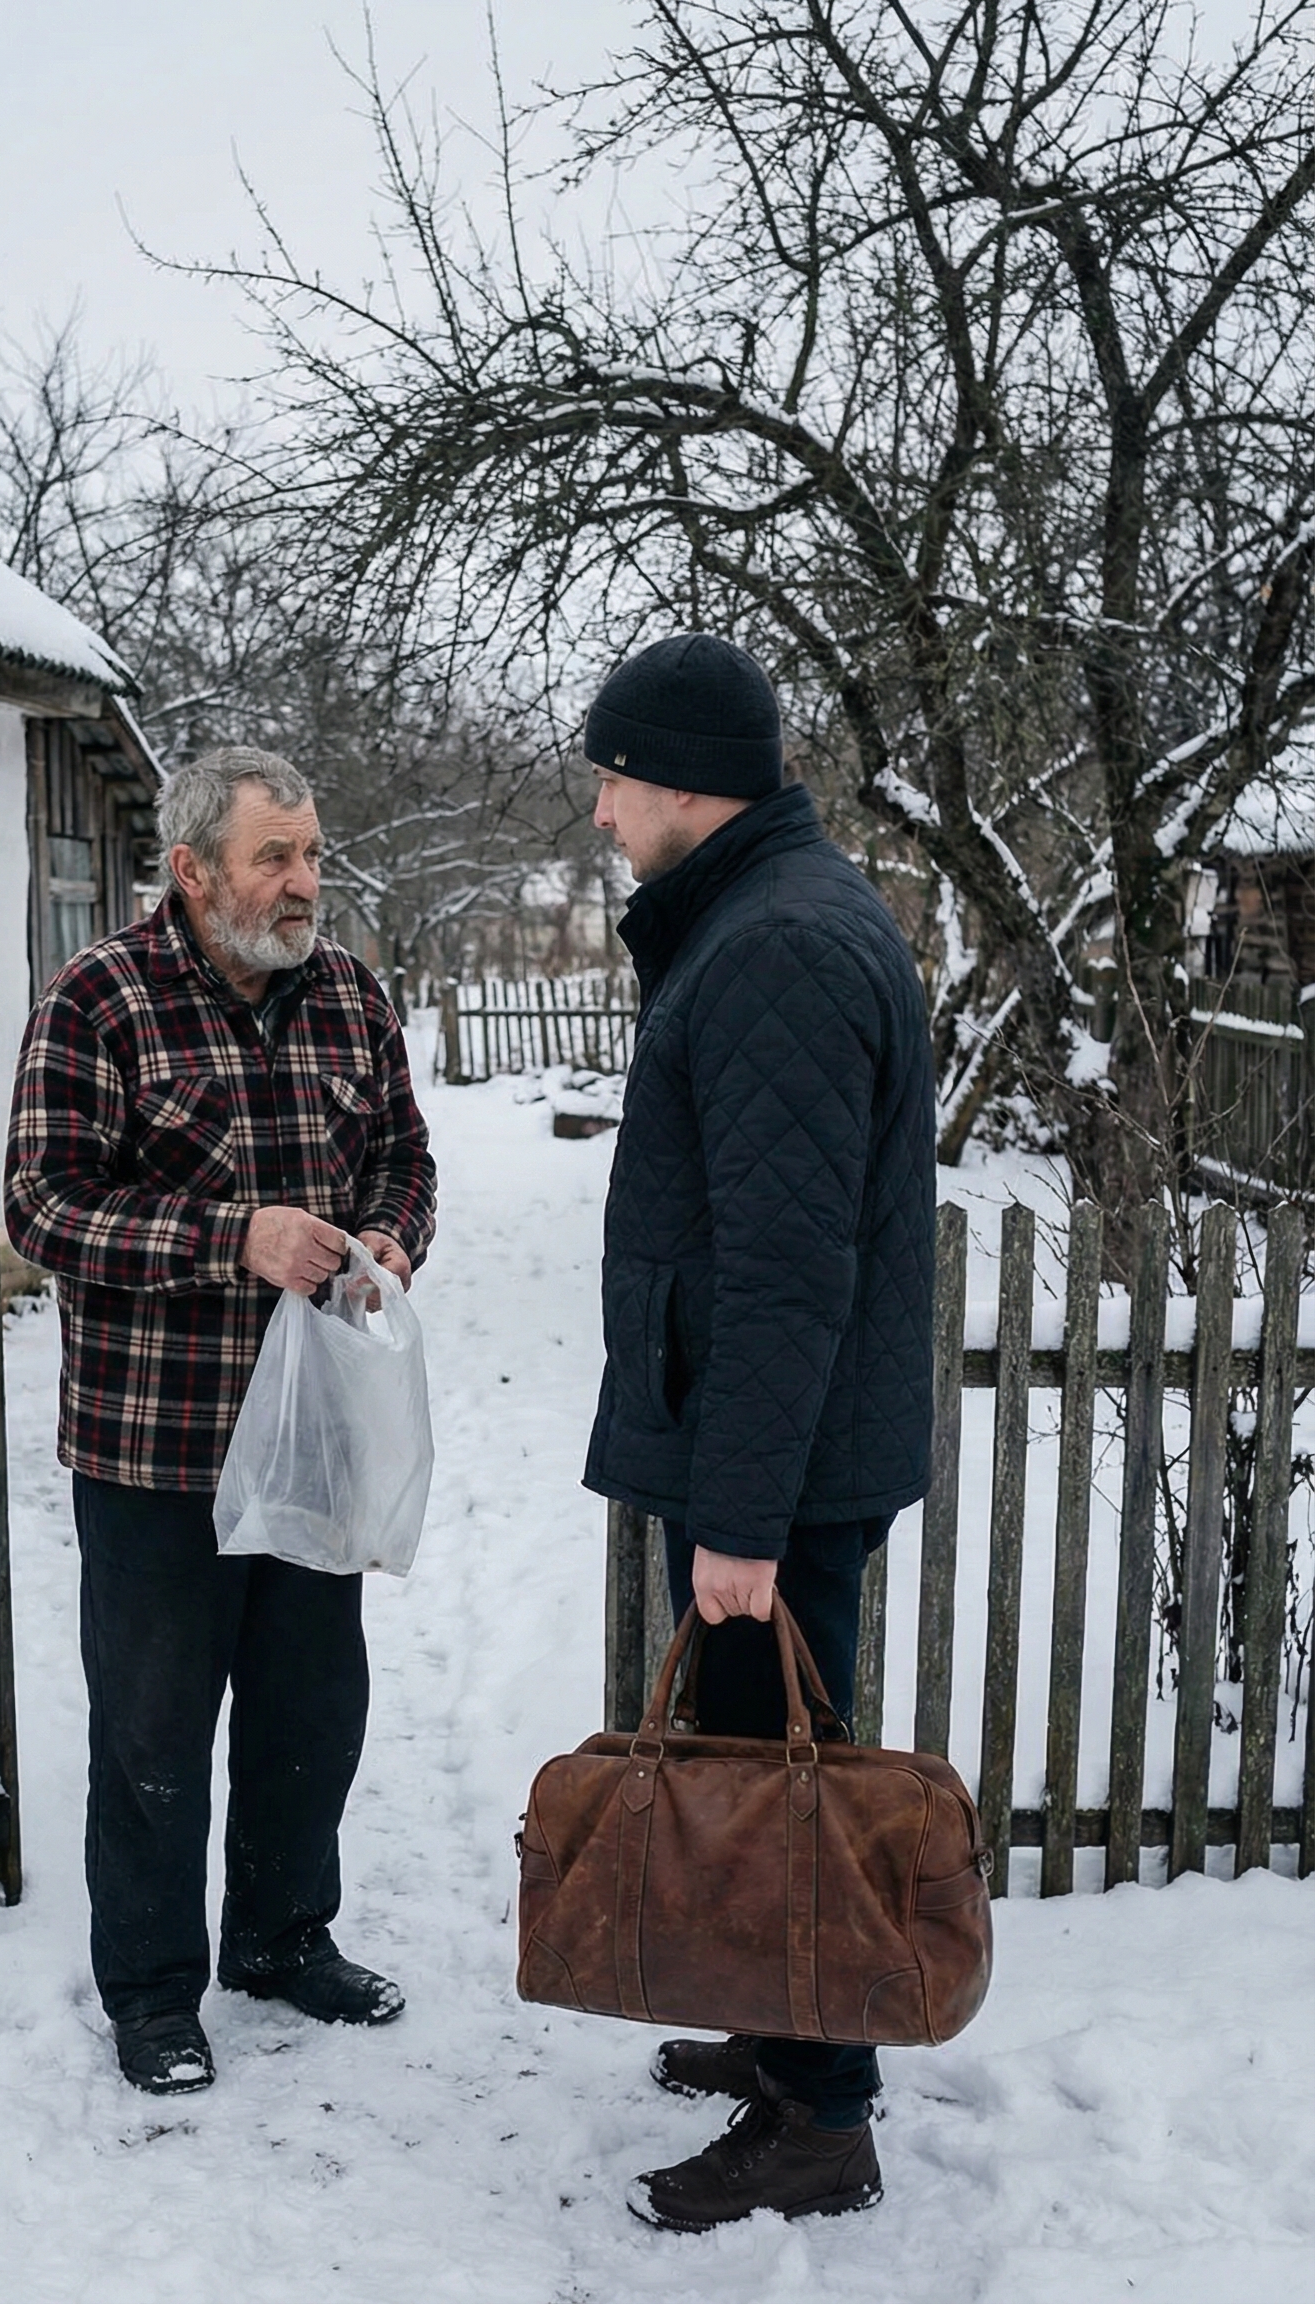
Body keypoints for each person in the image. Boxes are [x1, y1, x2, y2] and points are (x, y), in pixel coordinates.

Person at [5, 745, 438, 2097]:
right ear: (192, 870)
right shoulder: (98, 998)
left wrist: (390, 1237)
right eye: (275, 858)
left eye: (312, 855)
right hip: (158, 1445)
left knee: (313, 1710)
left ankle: (280, 1938)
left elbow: (404, 1157)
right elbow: (44, 1206)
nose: (305, 883)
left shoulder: (350, 994)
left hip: (315, 1430)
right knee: (153, 1731)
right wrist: (228, 1239)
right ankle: (150, 1993)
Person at [579, 634, 936, 2231]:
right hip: (775, 1452)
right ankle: (782, 2033)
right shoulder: (762, 915)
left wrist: (738, 1520)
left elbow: (789, 1271)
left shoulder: (779, 945)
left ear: (681, 781)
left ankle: (821, 2117)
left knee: (794, 1782)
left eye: (613, 780)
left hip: (775, 1473)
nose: (601, 813)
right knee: (760, 1765)